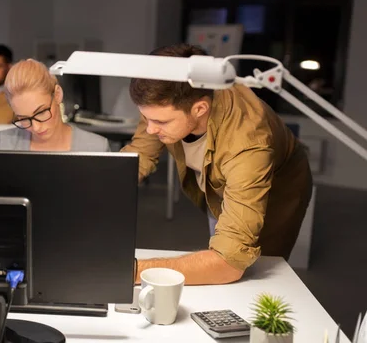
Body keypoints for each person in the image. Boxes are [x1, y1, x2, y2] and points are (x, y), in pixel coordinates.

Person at [121, 43, 313, 286]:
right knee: (217, 253)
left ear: (200, 108)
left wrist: (132, 271)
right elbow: (141, 154)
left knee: (254, 272)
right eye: (146, 118)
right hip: (220, 180)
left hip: (279, 186)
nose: (150, 129)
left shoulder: (248, 143)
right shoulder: (168, 97)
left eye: (160, 121)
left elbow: (228, 264)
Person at [0, 59, 111, 152]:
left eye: (41, 112)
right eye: (24, 119)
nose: (36, 127)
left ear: (58, 95)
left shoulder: (95, 148)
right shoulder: (4, 144)